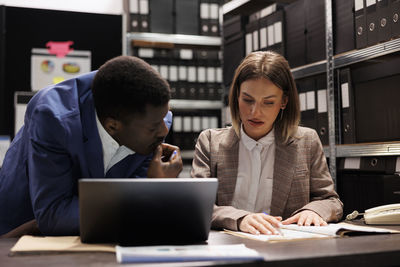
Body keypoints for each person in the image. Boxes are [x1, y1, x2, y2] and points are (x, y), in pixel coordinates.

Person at [0, 55, 183, 237]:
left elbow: (137, 203)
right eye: (154, 126)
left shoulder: (151, 119)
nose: (163, 130)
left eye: (165, 117)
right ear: (113, 126)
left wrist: (157, 187)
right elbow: (54, 215)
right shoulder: (54, 119)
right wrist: (151, 192)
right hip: (22, 230)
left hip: (101, 233)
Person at [191, 51, 343, 235]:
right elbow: (197, 205)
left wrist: (313, 211)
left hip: (284, 251)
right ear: (237, 96)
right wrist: (240, 219)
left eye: (268, 103)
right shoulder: (210, 142)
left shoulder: (307, 142)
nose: (255, 112)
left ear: (284, 101)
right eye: (248, 100)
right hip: (227, 249)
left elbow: (331, 201)